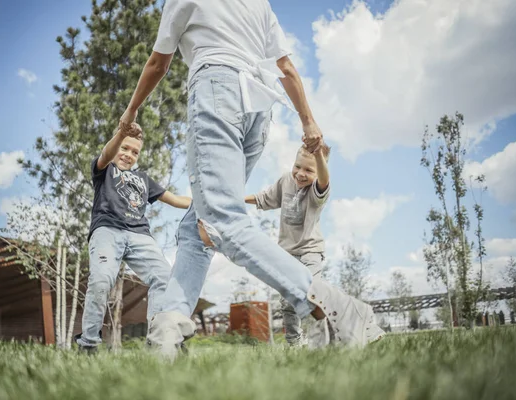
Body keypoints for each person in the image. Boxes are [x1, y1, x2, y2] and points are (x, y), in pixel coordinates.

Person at [118, 0, 384, 359]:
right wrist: (308, 121)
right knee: (196, 227)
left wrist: (131, 111)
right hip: (258, 108)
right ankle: (166, 336)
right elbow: (286, 68)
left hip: (217, 89)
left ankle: (342, 311)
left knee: (221, 221)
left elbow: (157, 63)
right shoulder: (258, 3)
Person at [75, 124, 191, 352]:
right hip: (107, 229)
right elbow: (107, 153)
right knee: (101, 280)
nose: (128, 155)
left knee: (164, 278)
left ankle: (159, 342)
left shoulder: (144, 179)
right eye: (124, 148)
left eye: (134, 152)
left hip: (139, 235)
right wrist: (121, 132)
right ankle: (88, 343)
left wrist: (207, 202)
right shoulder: (104, 169)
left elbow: (176, 200)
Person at [245, 143, 331, 347]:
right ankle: (294, 343)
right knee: (287, 302)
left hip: (310, 250)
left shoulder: (319, 189)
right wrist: (237, 200)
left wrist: (318, 155)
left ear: (319, 172)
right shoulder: (286, 180)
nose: (300, 174)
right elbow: (265, 198)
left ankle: (323, 340)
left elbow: (324, 180)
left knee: (312, 293)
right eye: (297, 166)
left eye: (309, 170)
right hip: (286, 253)